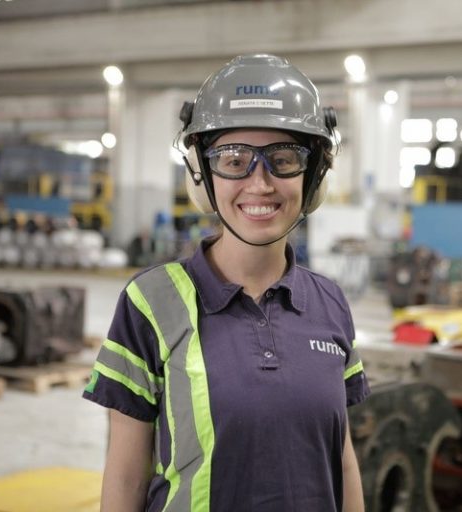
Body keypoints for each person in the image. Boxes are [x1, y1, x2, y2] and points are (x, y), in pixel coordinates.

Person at [83, 54, 370, 511]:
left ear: (314, 176)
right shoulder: (150, 302)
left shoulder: (330, 302)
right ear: (201, 173)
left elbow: (343, 459)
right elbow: (125, 477)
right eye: (234, 160)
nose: (260, 184)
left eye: (283, 159)